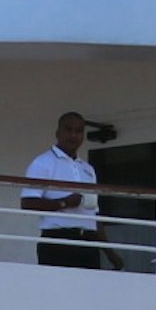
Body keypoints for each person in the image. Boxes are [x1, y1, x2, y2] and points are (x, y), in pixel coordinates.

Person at [24, 113, 105, 266]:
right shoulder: (43, 163)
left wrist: (110, 251)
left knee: (88, 290)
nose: (73, 135)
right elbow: (27, 202)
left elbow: (94, 214)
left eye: (79, 131)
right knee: (57, 290)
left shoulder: (88, 169)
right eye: (68, 129)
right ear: (58, 133)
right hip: (58, 239)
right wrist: (64, 203)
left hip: (89, 241)